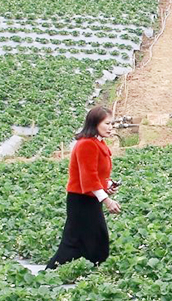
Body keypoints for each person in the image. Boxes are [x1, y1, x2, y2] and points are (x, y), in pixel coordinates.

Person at [47, 107, 120, 269]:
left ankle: (90, 272)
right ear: (95, 123)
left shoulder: (97, 143)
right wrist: (107, 200)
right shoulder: (87, 144)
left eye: (112, 124)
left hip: (89, 199)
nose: (110, 127)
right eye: (107, 123)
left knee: (93, 239)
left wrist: (107, 185)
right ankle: (50, 273)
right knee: (74, 242)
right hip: (80, 200)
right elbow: (88, 178)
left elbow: (97, 175)